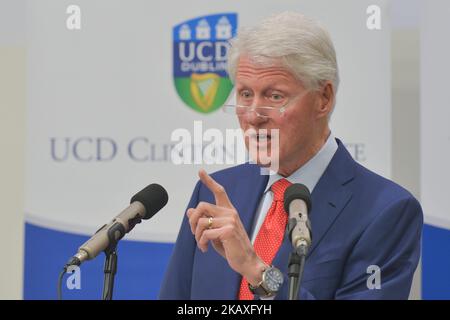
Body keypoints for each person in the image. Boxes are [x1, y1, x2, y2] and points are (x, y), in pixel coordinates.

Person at [159, 11, 423, 300]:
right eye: (245, 94)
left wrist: (257, 270)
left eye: (275, 96)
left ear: (324, 99)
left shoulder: (386, 211)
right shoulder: (216, 193)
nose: (253, 116)